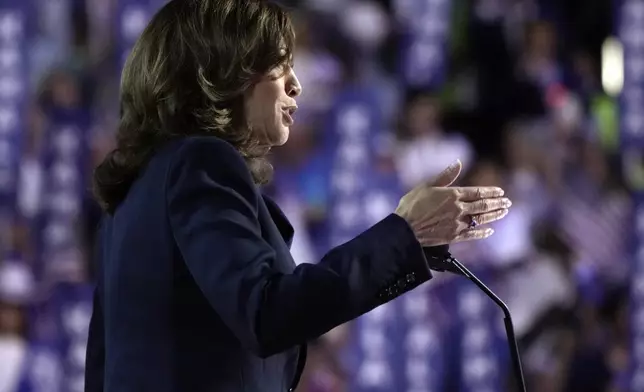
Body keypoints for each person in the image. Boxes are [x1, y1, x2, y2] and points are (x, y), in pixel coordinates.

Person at [84, 1, 512, 391]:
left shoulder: (132, 193)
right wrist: (404, 234)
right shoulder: (202, 162)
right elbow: (265, 311)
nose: (296, 85)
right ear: (225, 70)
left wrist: (411, 243)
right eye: (279, 65)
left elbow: (101, 371)